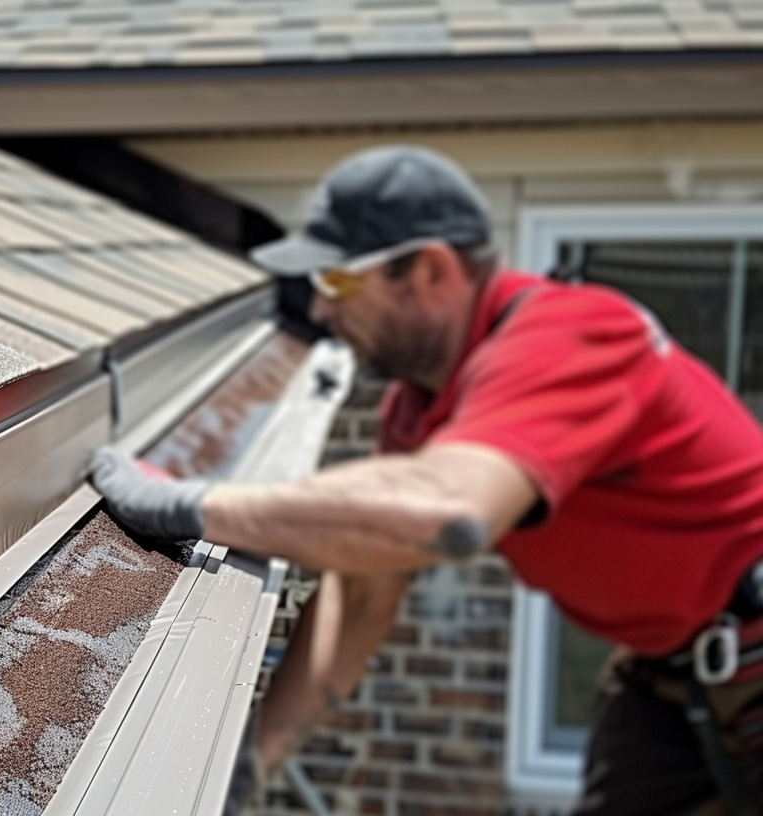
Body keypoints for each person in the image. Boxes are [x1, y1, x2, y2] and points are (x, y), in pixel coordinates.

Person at [89, 145, 763, 816]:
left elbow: (448, 512)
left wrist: (192, 504)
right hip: (671, 674)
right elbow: (360, 594)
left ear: (430, 270)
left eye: (336, 282)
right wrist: (248, 769)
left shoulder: (572, 334)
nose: (320, 312)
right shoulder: (416, 410)